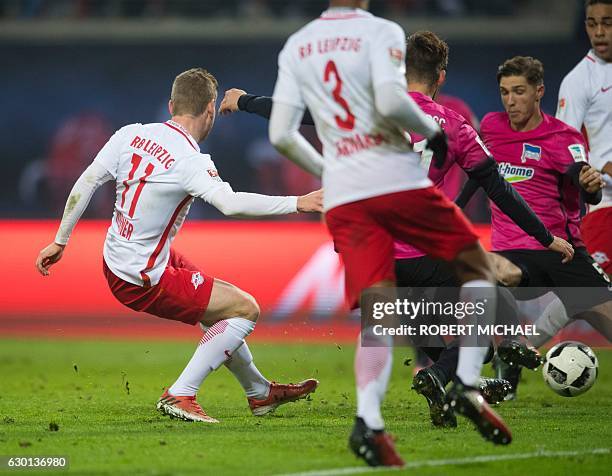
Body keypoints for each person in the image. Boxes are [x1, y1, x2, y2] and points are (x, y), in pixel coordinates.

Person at [219, 30, 573, 428]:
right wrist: (546, 237)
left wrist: (244, 100)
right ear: (440, 77)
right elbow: (499, 188)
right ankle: (443, 377)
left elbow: (302, 112)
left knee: (426, 333)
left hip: (373, 253)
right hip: (425, 250)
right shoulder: (453, 125)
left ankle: (436, 388)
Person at [267, 1, 512, 466]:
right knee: (478, 267)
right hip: (393, 179)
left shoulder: (297, 45)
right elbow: (392, 100)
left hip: (346, 198)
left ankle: (369, 423)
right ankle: (464, 382)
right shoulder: (380, 31)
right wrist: (430, 132)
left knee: (379, 313)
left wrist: (330, 172)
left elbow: (280, 134)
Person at [35, 68, 322, 424]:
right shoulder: (191, 160)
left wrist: (60, 240)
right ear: (211, 111)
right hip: (142, 276)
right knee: (245, 309)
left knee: (218, 311)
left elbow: (89, 179)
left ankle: (259, 393)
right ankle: (181, 393)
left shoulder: (130, 134)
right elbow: (230, 204)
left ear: (172, 105)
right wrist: (300, 202)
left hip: (118, 259)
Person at [472, 56, 612, 397]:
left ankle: (508, 355)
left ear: (539, 92)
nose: (510, 100)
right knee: (479, 275)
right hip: (512, 253)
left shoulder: (562, 137)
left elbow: (582, 179)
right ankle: (492, 374)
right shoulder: (491, 127)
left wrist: (591, 184)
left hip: (562, 252)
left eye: (519, 91)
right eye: (504, 92)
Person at [557, 0, 612, 278]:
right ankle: (540, 325)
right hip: (606, 206)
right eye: (592, 24)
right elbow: (561, 150)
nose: (599, 32)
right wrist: (598, 168)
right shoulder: (578, 80)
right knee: (592, 293)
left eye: (607, 23)